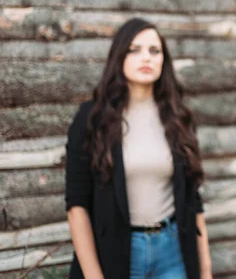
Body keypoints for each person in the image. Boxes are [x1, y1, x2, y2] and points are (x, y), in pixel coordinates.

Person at [65, 18, 212, 279]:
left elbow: (194, 199)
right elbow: (77, 205)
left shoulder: (177, 117)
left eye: (154, 51)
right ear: (119, 56)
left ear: (163, 61)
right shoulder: (92, 118)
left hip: (173, 250)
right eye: (135, 50)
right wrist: (93, 275)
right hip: (118, 251)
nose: (146, 57)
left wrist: (206, 272)